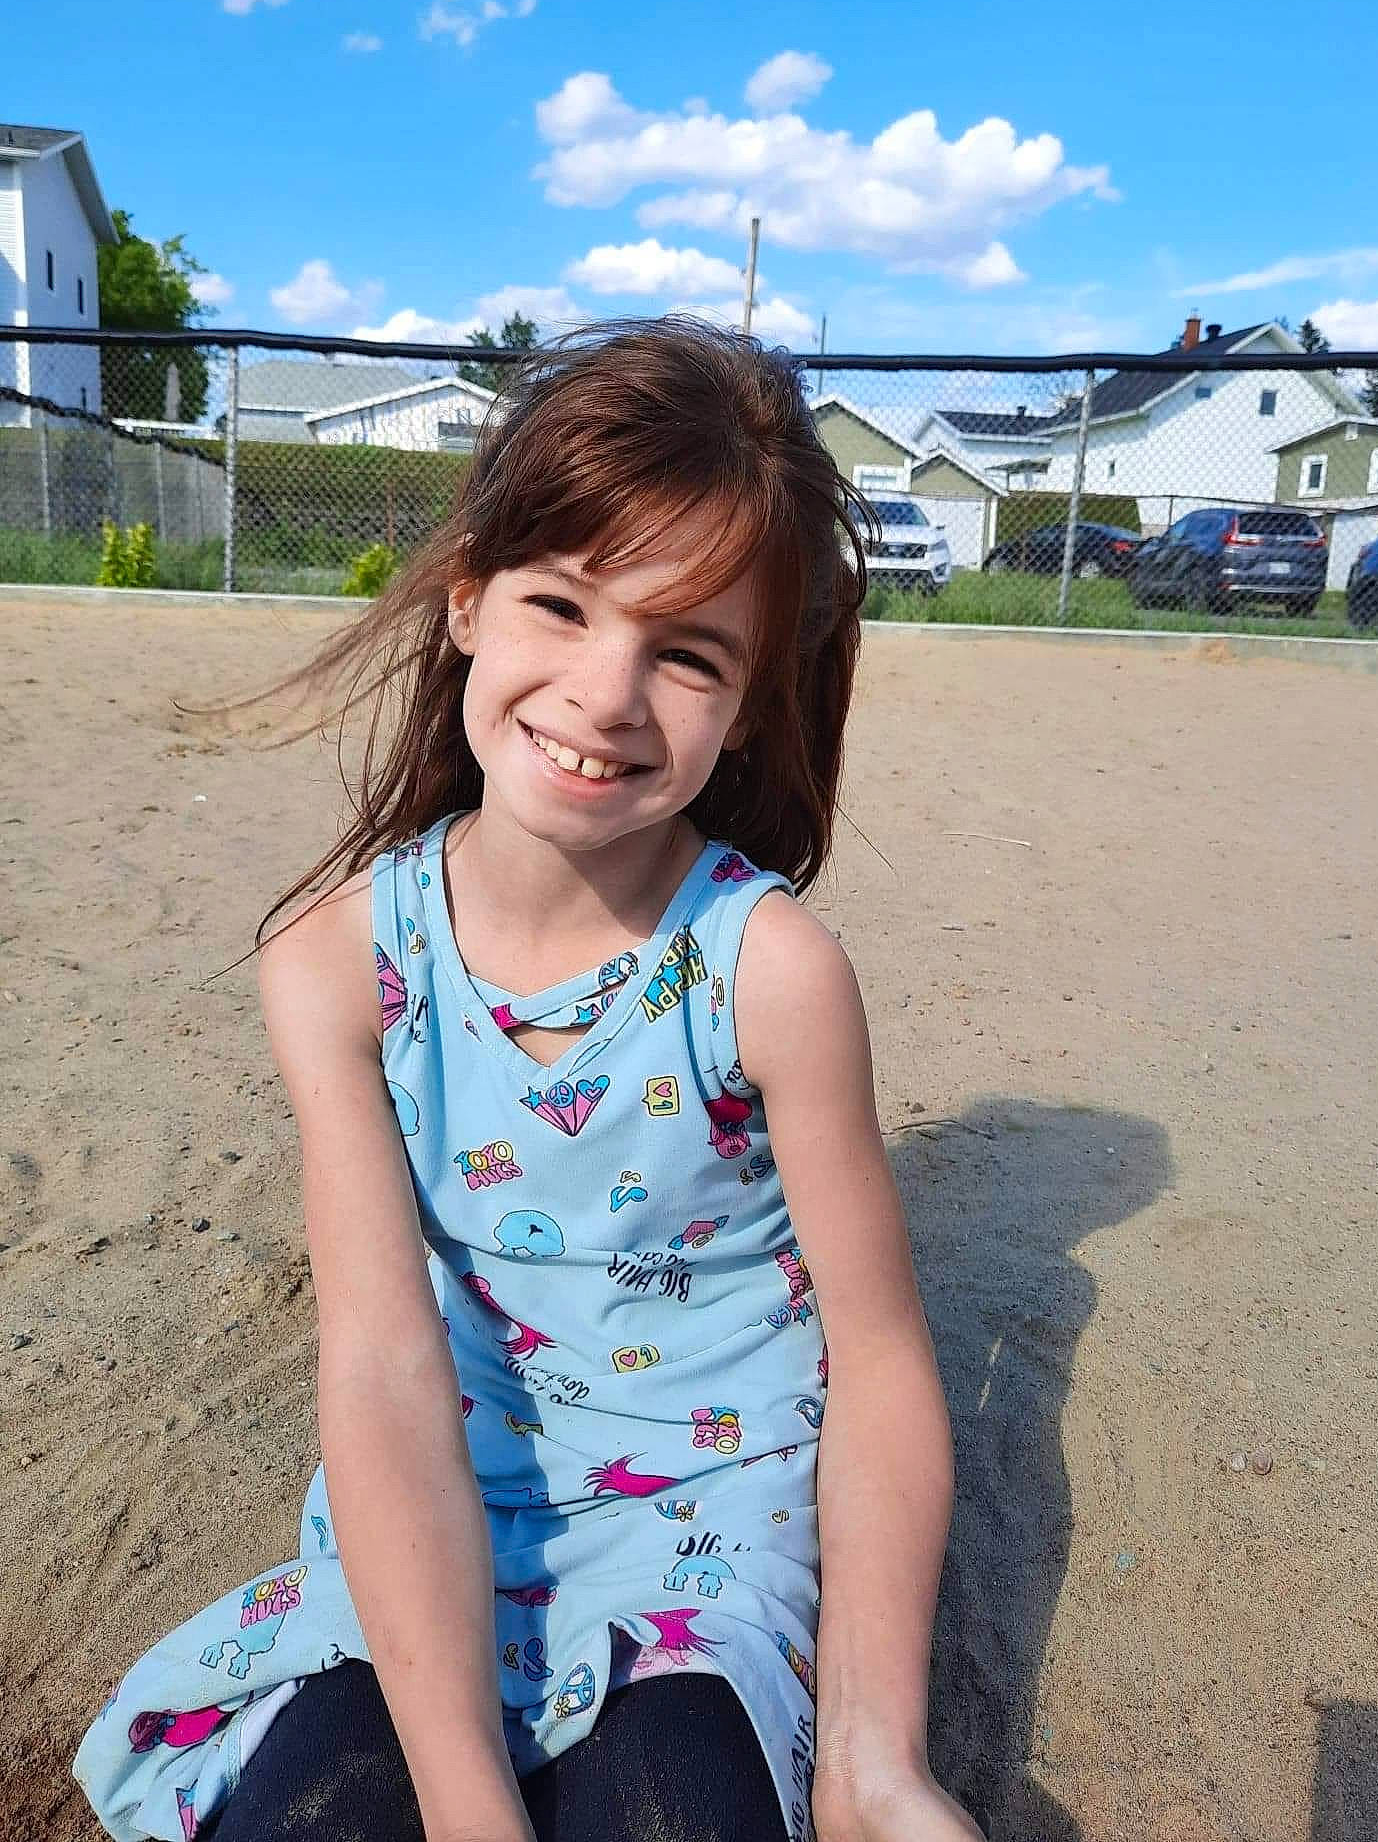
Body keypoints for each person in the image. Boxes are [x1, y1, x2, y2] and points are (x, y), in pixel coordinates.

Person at [73, 318, 981, 1842]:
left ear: (752, 700)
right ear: (466, 602)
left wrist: (875, 1757)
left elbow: (879, 1360)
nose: (606, 692)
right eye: (562, 605)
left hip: (711, 1510)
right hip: (437, 1496)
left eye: (686, 651)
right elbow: (377, 1369)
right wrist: (466, 1803)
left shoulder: (771, 974)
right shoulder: (333, 964)